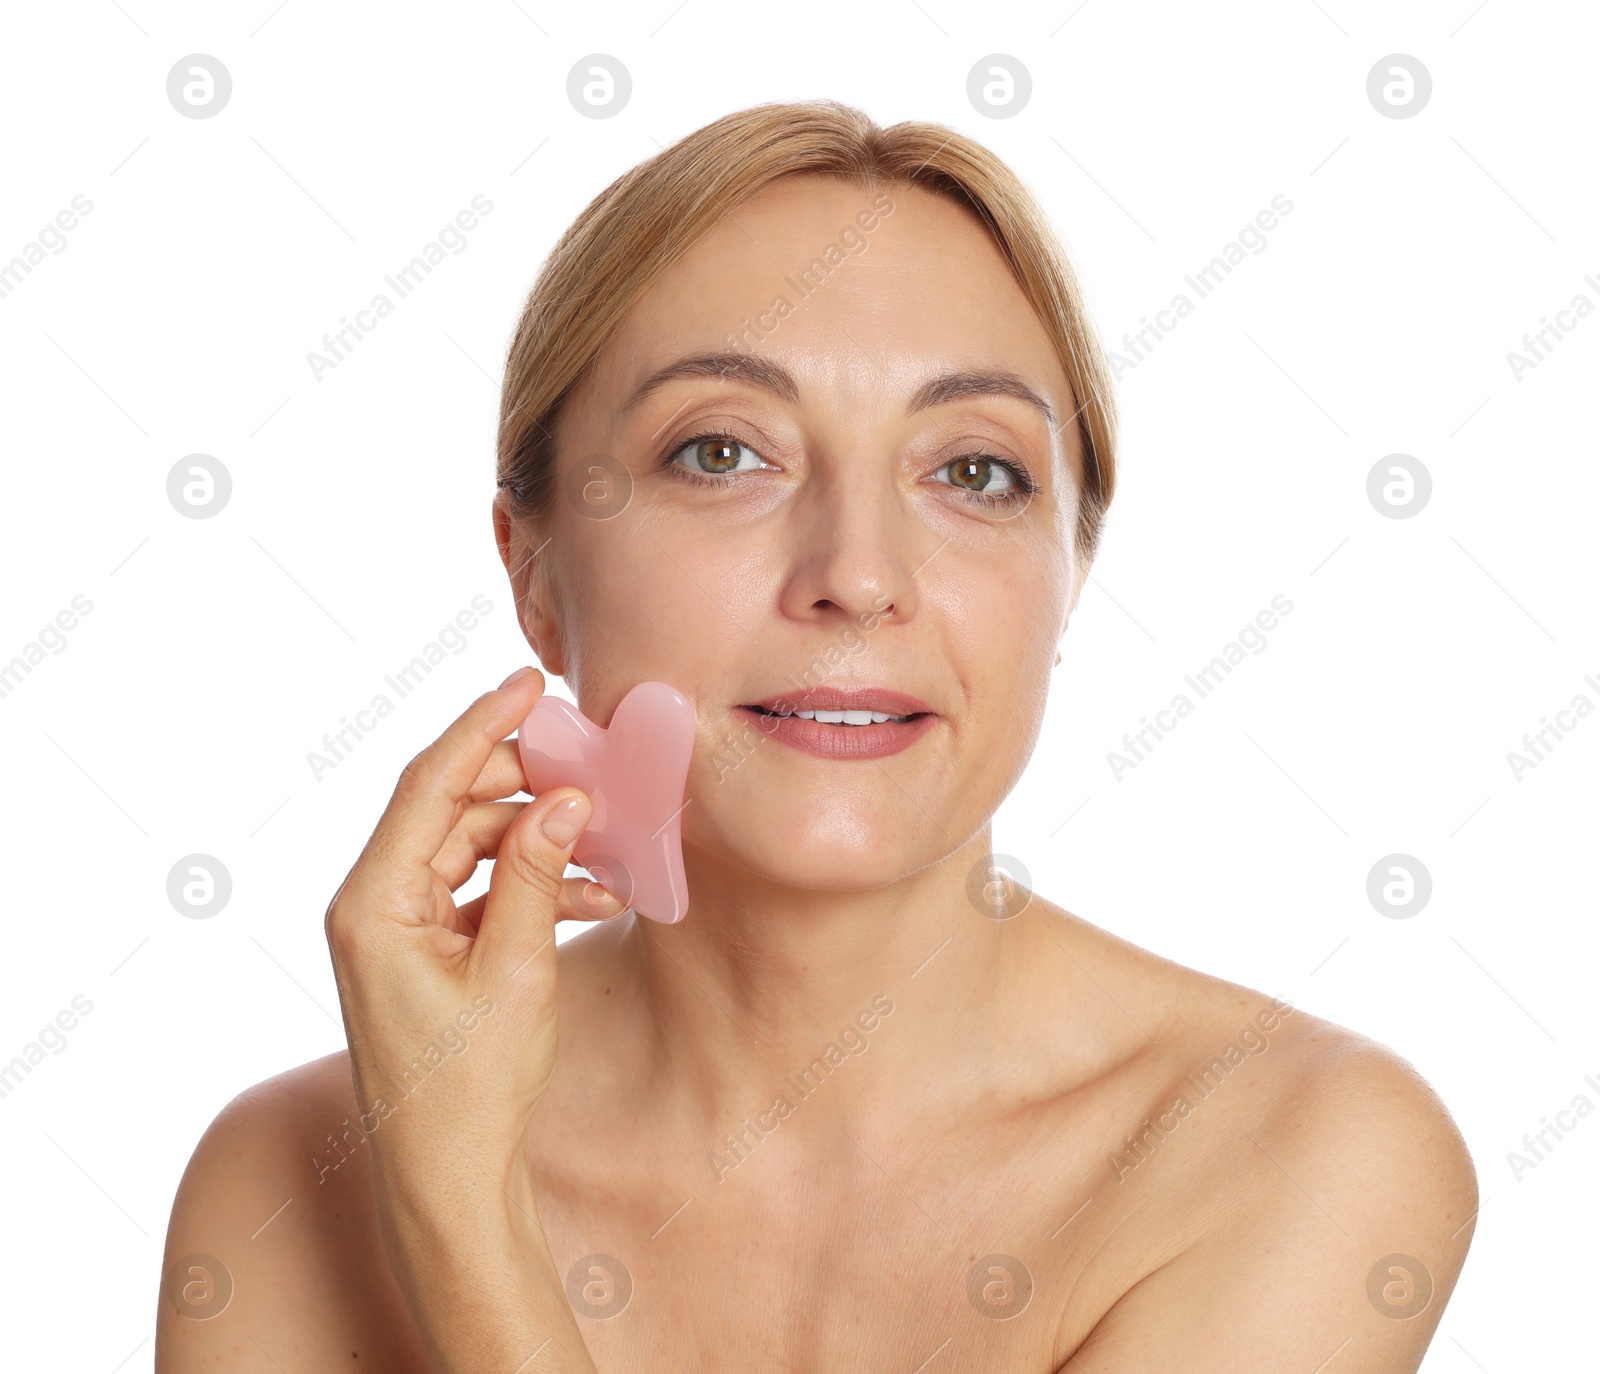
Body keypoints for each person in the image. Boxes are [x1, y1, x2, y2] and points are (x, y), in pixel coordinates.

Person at [158, 100, 1476, 1372]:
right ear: (537, 572)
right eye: (724, 453)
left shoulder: (1297, 1148)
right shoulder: (284, 1181)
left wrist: (458, 1226)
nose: (856, 572)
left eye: (975, 471)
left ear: (1069, 574)